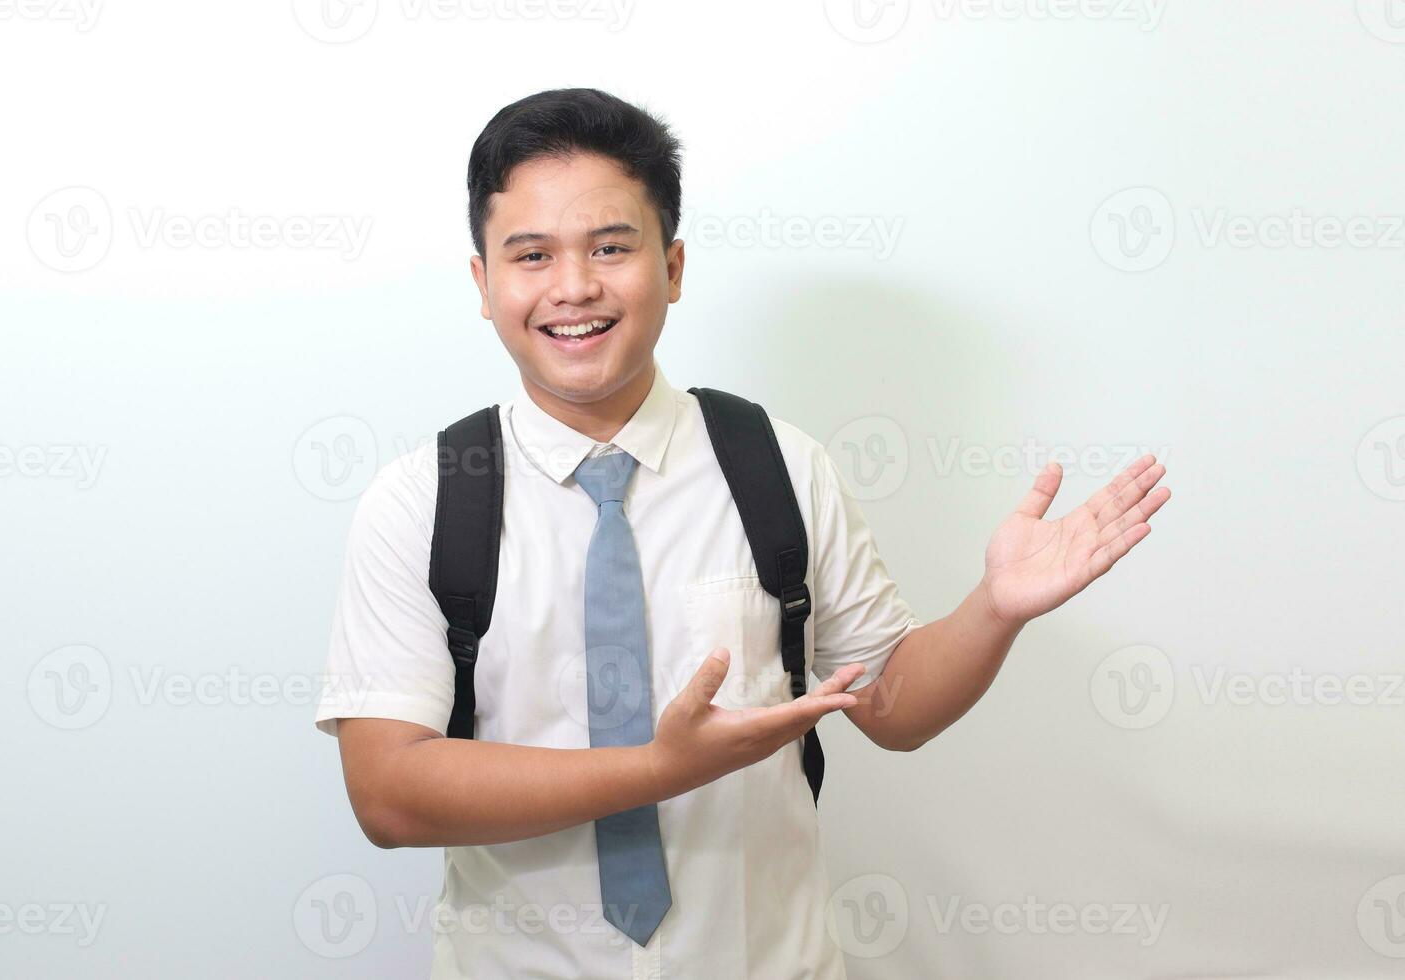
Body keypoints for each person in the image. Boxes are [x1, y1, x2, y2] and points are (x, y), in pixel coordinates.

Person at [313, 87, 1171, 978]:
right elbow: (389, 796)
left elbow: (892, 705)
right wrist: (659, 768)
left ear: (674, 267)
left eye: (612, 246)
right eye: (532, 255)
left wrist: (994, 608)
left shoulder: (779, 467)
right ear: (484, 286)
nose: (574, 287)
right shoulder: (424, 501)